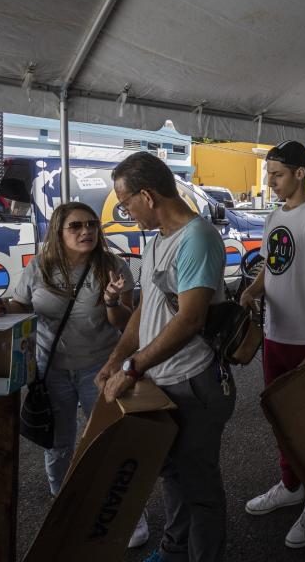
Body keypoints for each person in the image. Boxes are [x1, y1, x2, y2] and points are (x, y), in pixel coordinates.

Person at [95, 151, 234, 562]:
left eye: (126, 204)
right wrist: (116, 358)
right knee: (172, 472)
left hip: (196, 382)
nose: (126, 213)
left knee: (200, 484)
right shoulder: (158, 241)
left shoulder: (198, 238)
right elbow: (143, 310)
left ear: (148, 195)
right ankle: (175, 550)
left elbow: (190, 320)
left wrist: (133, 367)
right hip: (164, 381)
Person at [0, 203, 147, 546]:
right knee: (58, 444)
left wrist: (112, 301)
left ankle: (130, 513)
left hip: (101, 369)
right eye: (75, 226)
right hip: (51, 370)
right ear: (59, 232)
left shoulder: (113, 266)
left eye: (91, 225)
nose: (86, 231)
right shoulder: (40, 267)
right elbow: (22, 306)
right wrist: (1, 308)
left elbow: (126, 324)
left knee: (109, 440)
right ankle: (63, 500)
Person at [239, 140, 305, 549]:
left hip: (304, 339)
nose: (271, 183)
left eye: (277, 175)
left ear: (300, 173)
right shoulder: (275, 216)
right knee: (280, 416)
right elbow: (271, 266)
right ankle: (291, 484)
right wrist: (251, 291)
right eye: (269, 175)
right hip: (275, 334)